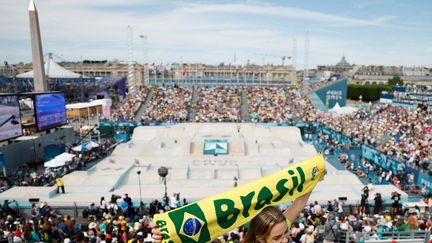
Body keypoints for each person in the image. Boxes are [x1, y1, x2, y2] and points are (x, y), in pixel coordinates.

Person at [151, 192, 312, 242]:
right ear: (261, 238)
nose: (285, 240)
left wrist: (314, 171)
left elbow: (300, 202)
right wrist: (166, 236)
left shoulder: (278, 226)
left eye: (286, 233)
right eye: (277, 238)